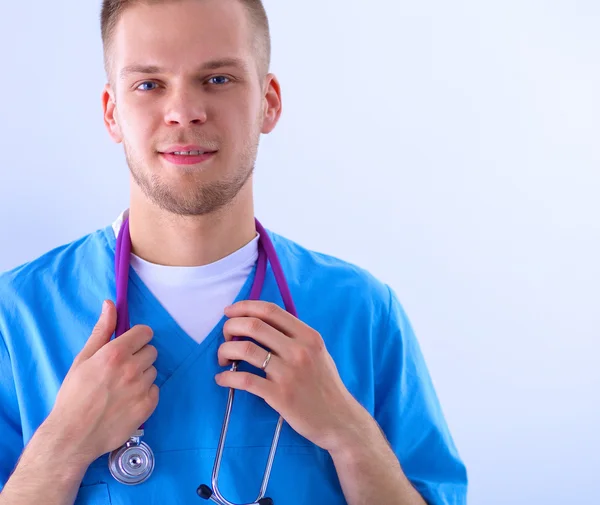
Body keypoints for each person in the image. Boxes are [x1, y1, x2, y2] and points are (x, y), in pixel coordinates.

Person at [0, 0, 467, 504]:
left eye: (217, 79)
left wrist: (349, 435)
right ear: (112, 112)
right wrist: (62, 445)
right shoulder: (16, 318)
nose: (184, 112)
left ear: (269, 102)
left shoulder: (362, 312)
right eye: (149, 84)